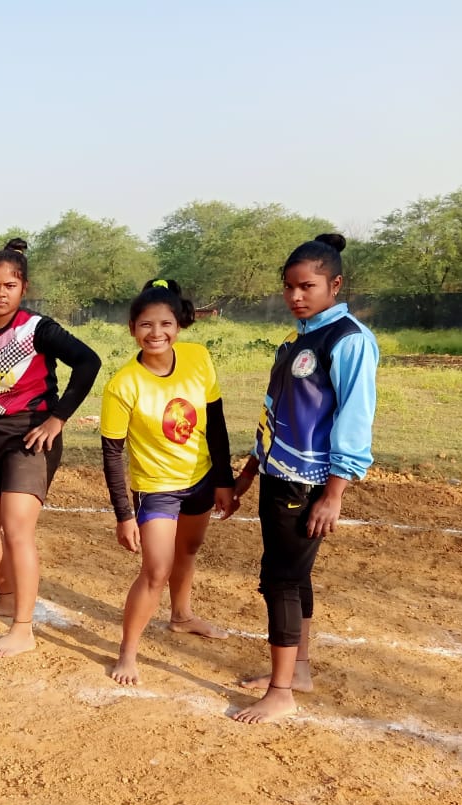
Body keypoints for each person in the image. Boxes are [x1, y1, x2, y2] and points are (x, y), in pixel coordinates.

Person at [227, 233, 379, 723]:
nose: (295, 296)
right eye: (289, 287)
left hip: (307, 480)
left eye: (307, 286)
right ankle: (300, 670)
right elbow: (276, 410)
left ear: (335, 284)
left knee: (282, 579)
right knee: (294, 574)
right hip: (276, 471)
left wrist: (334, 493)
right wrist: (249, 471)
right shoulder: (298, 336)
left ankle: (281, 691)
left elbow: (355, 419)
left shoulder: (348, 339)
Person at [0, 238, 101, 657]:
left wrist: (57, 419)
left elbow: (89, 362)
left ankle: (24, 628)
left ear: (23, 288)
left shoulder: (37, 328)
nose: (0, 292)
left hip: (32, 434)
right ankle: (6, 596)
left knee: (16, 529)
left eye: (9, 285)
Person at [100, 279, 235, 685]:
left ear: (179, 327)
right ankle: (127, 652)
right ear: (132, 329)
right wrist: (125, 516)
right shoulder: (123, 384)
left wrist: (224, 480)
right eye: (145, 325)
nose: (155, 333)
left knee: (189, 549)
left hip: (200, 478)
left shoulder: (198, 358)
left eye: (165, 324)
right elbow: (111, 454)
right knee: (156, 569)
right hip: (156, 488)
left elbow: (217, 424)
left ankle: (181, 616)